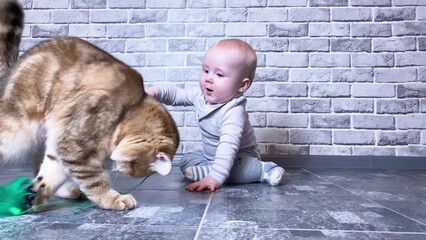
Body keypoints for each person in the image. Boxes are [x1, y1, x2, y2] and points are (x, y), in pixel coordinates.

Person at [145, 38, 284, 192]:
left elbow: (228, 146)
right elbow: (176, 95)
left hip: (240, 157)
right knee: (185, 161)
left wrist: (215, 178)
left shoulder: (233, 111)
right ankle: (211, 170)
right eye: (206, 70)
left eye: (219, 74)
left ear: (242, 85)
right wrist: (155, 93)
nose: (209, 78)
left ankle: (264, 170)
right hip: (209, 156)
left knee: (236, 171)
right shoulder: (200, 95)